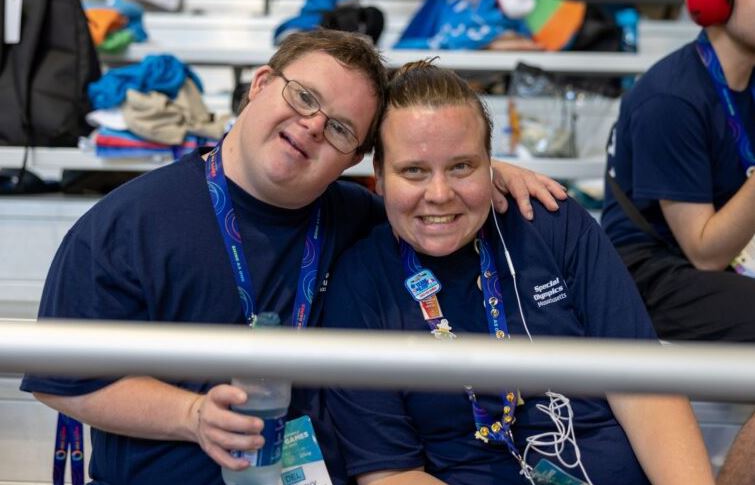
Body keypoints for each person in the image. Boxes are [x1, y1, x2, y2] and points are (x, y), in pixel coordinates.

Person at [19, 29, 566, 485]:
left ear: (353, 159)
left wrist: (483, 174)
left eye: (340, 128)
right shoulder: (125, 226)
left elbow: (428, 196)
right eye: (304, 97)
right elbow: (60, 380)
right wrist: (191, 416)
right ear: (260, 85)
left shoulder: (359, 219)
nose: (313, 126)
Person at [322, 60, 714, 485]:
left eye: (461, 167)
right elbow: (392, 474)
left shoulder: (550, 222)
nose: (439, 194)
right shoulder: (360, 282)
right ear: (379, 177)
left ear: (491, 166)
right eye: (413, 171)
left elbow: (644, 388)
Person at [601, 0, 755, 342]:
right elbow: (705, 253)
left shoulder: (747, 81)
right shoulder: (671, 98)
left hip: (723, 254)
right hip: (651, 272)